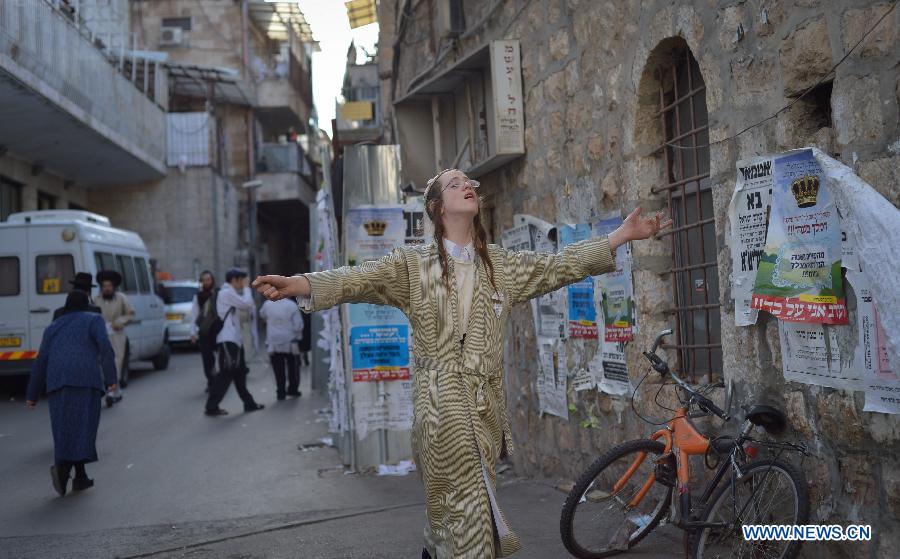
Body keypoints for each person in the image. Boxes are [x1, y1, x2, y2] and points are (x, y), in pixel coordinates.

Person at [252, 169, 672, 558]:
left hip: (485, 411)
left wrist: (620, 235)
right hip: (441, 411)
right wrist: (302, 284)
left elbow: (558, 266)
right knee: (471, 519)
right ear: (435, 207)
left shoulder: (501, 265)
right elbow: (358, 279)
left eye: (469, 181)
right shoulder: (412, 266)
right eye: (454, 183)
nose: (467, 185)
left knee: (453, 518)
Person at [26, 291, 118, 497]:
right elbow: (105, 348)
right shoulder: (94, 320)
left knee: (64, 427)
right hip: (86, 378)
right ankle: (65, 470)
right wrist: (111, 378)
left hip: (57, 380)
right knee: (84, 426)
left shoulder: (53, 327)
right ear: (86, 305)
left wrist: (32, 394)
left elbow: (41, 360)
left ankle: (80, 476)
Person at [204, 268, 264, 416]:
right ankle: (211, 406)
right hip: (228, 340)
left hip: (234, 340)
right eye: (242, 280)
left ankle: (249, 403)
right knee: (225, 374)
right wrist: (246, 288)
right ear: (235, 280)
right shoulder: (227, 292)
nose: (244, 283)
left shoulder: (228, 292)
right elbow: (247, 304)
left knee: (240, 373)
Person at [259, 297, 304, 400]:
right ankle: (293, 389)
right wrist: (298, 337)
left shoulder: (267, 304)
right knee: (293, 366)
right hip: (290, 340)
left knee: (278, 368)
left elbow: (262, 315)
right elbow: (298, 325)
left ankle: (281, 392)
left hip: (273, 341)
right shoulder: (292, 305)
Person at [190, 270, 219, 391]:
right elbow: (194, 314)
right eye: (204, 280)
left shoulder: (218, 294)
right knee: (207, 358)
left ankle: (220, 379)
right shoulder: (198, 296)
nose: (207, 282)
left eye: (209, 279)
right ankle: (211, 381)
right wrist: (193, 333)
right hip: (204, 331)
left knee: (221, 356)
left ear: (212, 280)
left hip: (218, 329)